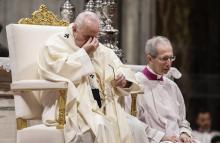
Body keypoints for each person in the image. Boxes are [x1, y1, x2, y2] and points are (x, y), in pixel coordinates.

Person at [38, 11, 149, 143]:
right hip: (73, 107)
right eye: (87, 37)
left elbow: (121, 68)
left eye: (95, 37)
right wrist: (84, 53)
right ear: (74, 29)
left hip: (105, 108)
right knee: (101, 126)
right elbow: (57, 70)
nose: (93, 42)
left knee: (136, 127)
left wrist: (123, 80)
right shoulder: (57, 43)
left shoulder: (99, 48)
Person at [135, 36, 199, 143]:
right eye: (164, 58)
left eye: (171, 58)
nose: (169, 63)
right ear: (150, 59)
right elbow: (133, 123)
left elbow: (182, 120)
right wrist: (162, 137)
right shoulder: (135, 84)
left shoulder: (172, 86)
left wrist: (184, 133)